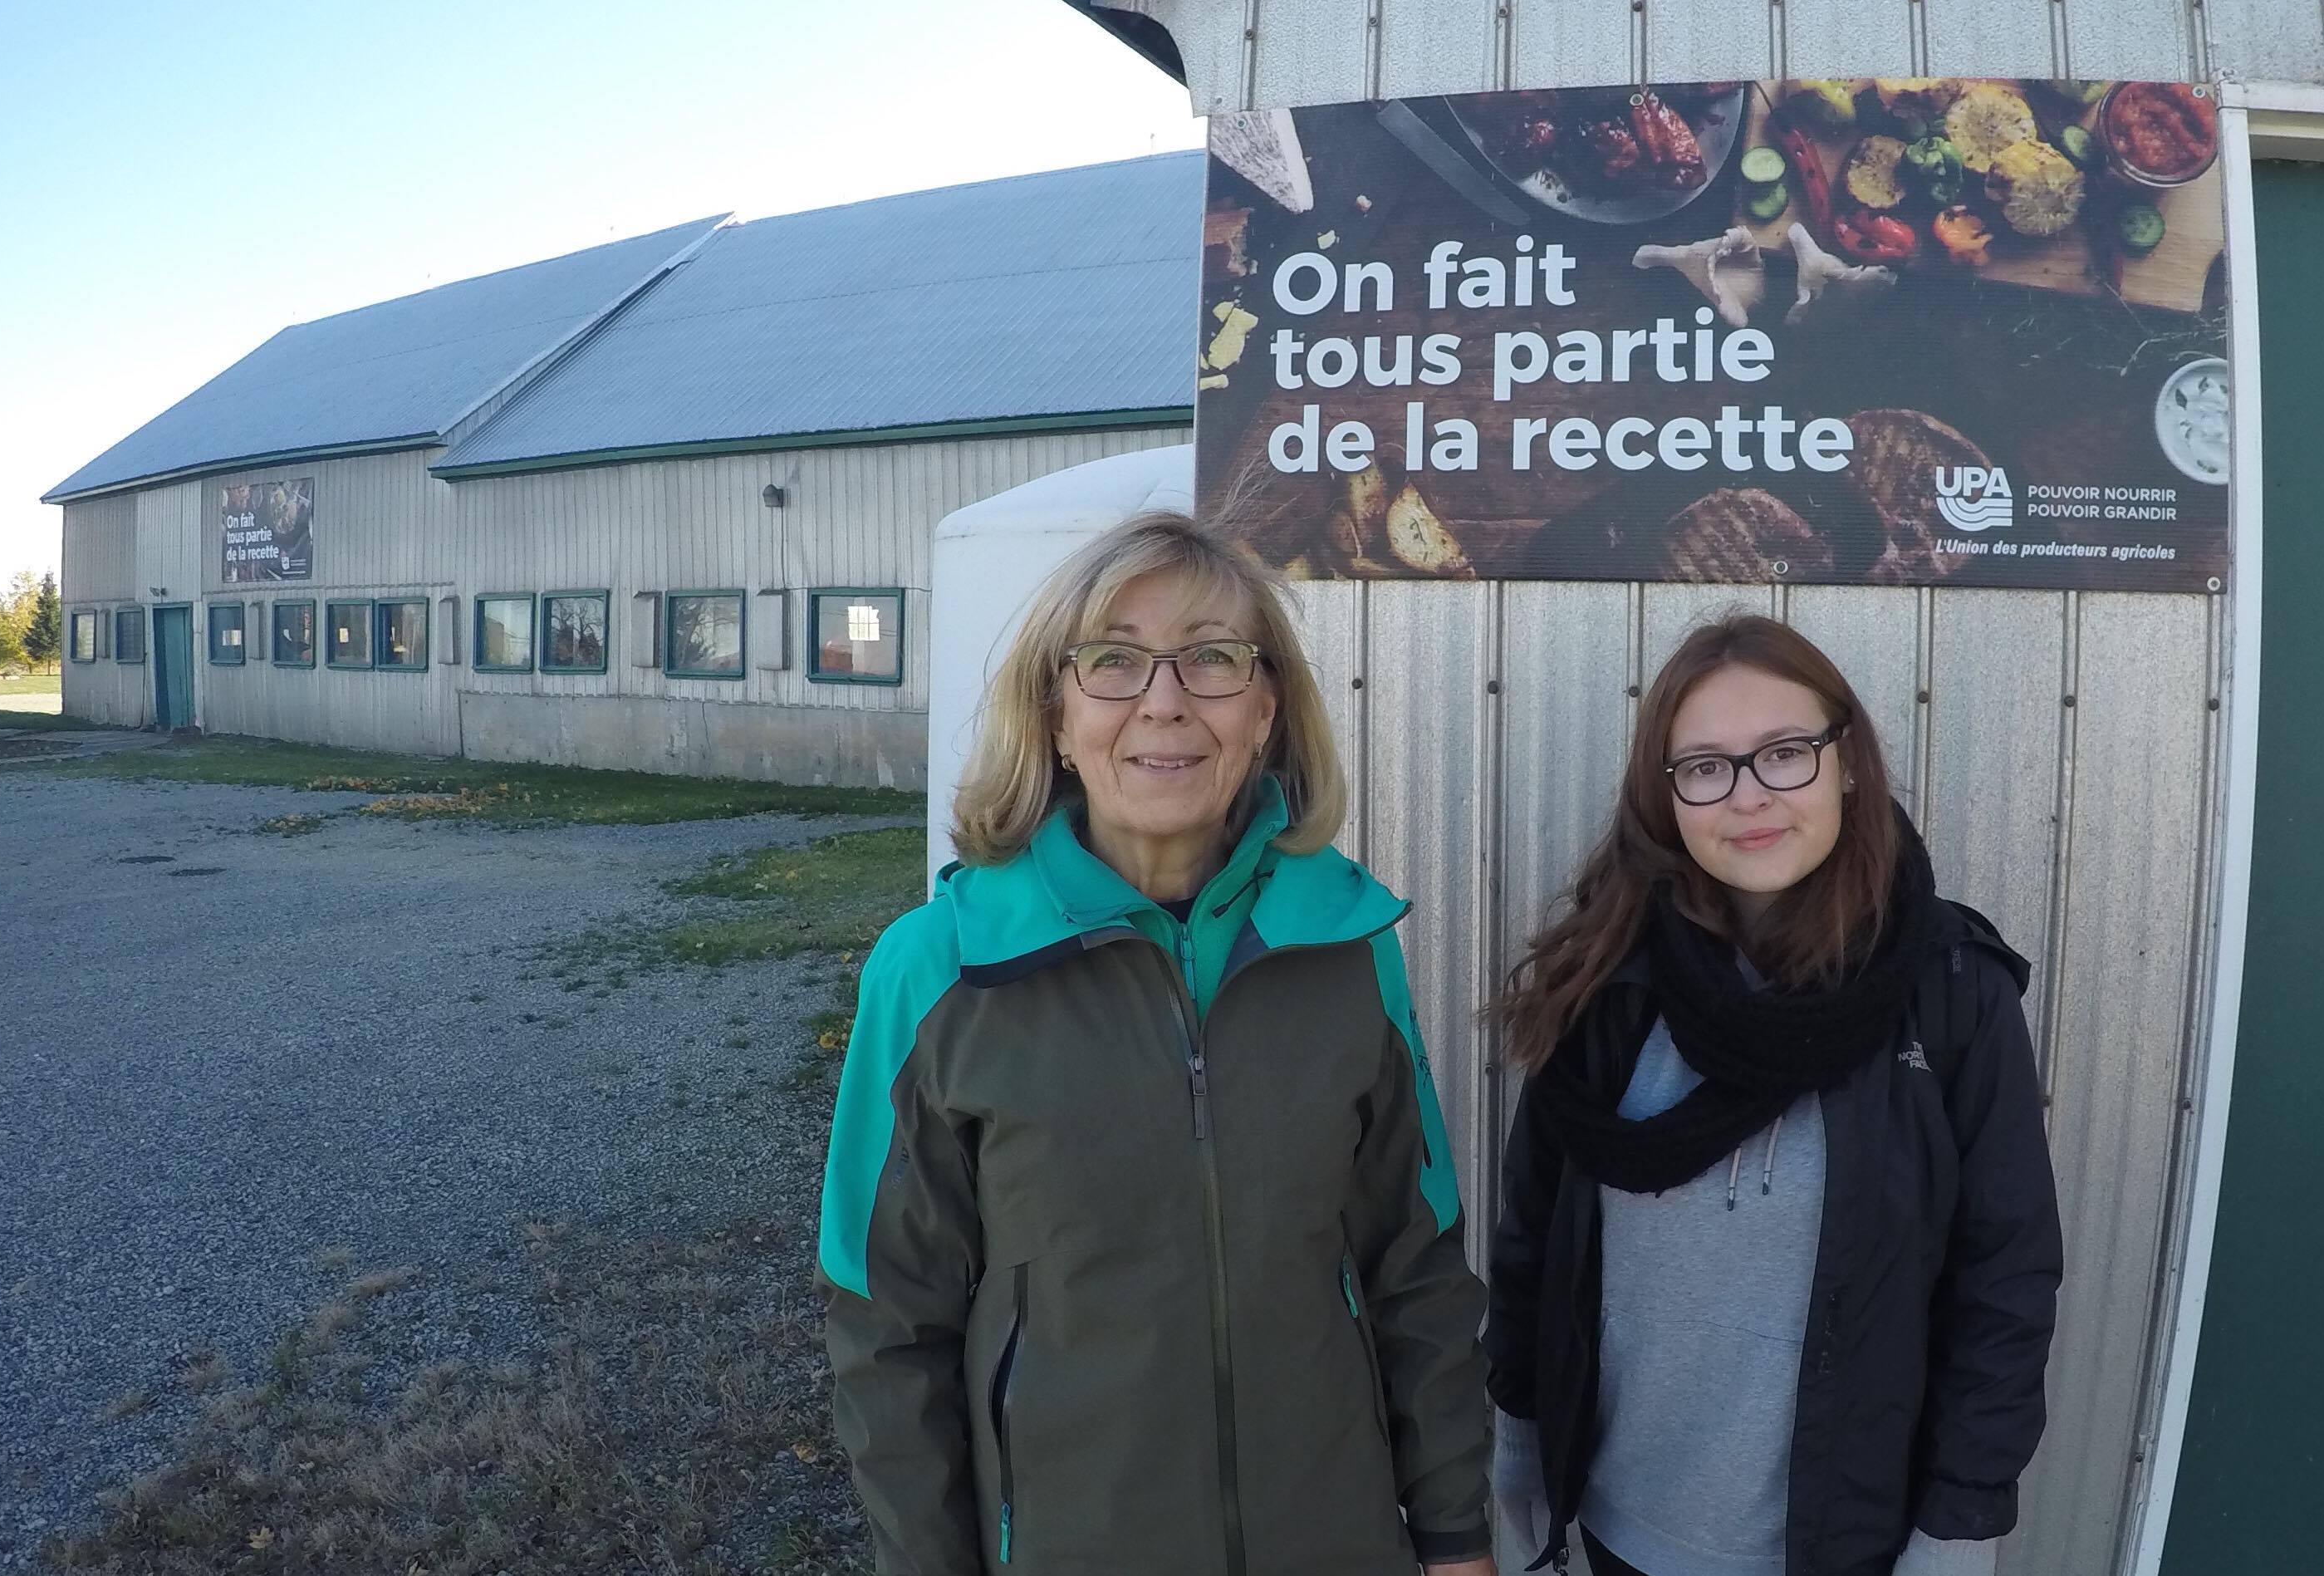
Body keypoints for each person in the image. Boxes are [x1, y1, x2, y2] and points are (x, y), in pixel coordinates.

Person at [819, 511, 1497, 1576]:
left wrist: (1455, 1532)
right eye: (1114, 661)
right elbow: (886, 1326)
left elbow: (1416, 1267)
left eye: (1213, 658)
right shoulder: (939, 968)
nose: (1165, 699)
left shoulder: (1346, 947)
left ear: (1266, 710)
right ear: (1054, 713)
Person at [1484, 614, 2061, 1576]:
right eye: (1705, 766)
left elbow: (2003, 1279)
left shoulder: (1950, 990)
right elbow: (1534, 1234)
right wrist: (1517, 1423)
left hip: (1839, 1546)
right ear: (1665, 797)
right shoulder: (1607, 985)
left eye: (1784, 752)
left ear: (1845, 762)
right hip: (1622, 1530)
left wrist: (1959, 1529)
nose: (1748, 795)